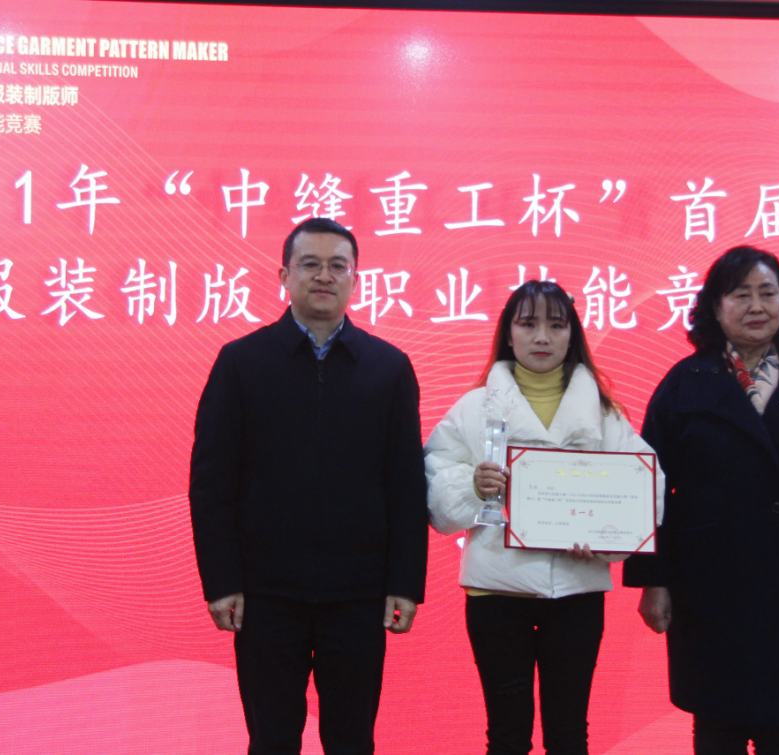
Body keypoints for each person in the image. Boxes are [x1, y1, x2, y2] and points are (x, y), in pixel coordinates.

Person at [189, 217, 429, 755]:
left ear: (355, 279)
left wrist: (404, 583)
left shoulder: (388, 368)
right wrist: (221, 580)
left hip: (359, 594)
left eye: (337, 266)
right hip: (266, 594)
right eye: (311, 264)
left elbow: (406, 485)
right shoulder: (241, 362)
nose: (325, 276)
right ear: (284, 275)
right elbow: (211, 483)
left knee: (351, 740)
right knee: (272, 740)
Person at [623, 246, 779, 755]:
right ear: (715, 308)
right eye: (741, 295)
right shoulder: (684, 384)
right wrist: (652, 580)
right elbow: (646, 491)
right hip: (708, 584)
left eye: (768, 293)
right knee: (717, 728)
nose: (757, 306)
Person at [426, 280, 663, 755]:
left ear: (572, 336)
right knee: (507, 735)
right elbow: (433, 487)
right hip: (496, 593)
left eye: (556, 325)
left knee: (569, 734)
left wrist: (605, 539)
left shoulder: (604, 412)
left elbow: (646, 487)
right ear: (508, 334)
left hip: (576, 592)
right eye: (528, 323)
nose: (541, 337)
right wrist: (473, 485)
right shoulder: (473, 408)